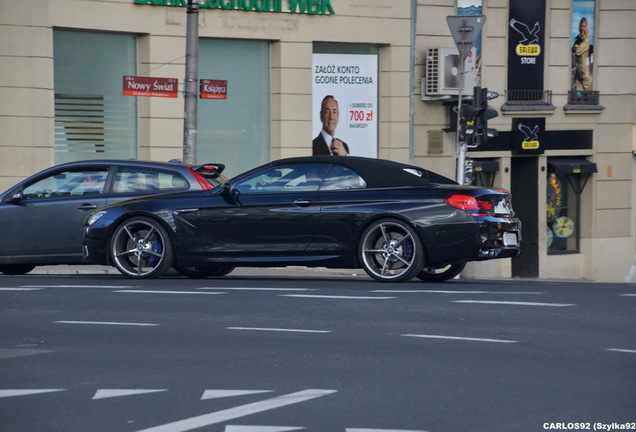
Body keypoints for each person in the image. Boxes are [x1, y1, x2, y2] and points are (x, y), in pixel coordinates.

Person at [572, 17, 592, 91]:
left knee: (588, 93)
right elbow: (572, 49)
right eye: (581, 26)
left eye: (584, 27)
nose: (582, 28)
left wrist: (576, 47)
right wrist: (575, 47)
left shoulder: (586, 39)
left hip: (584, 72)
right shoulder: (578, 39)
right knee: (577, 94)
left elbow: (578, 51)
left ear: (587, 28)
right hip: (578, 71)